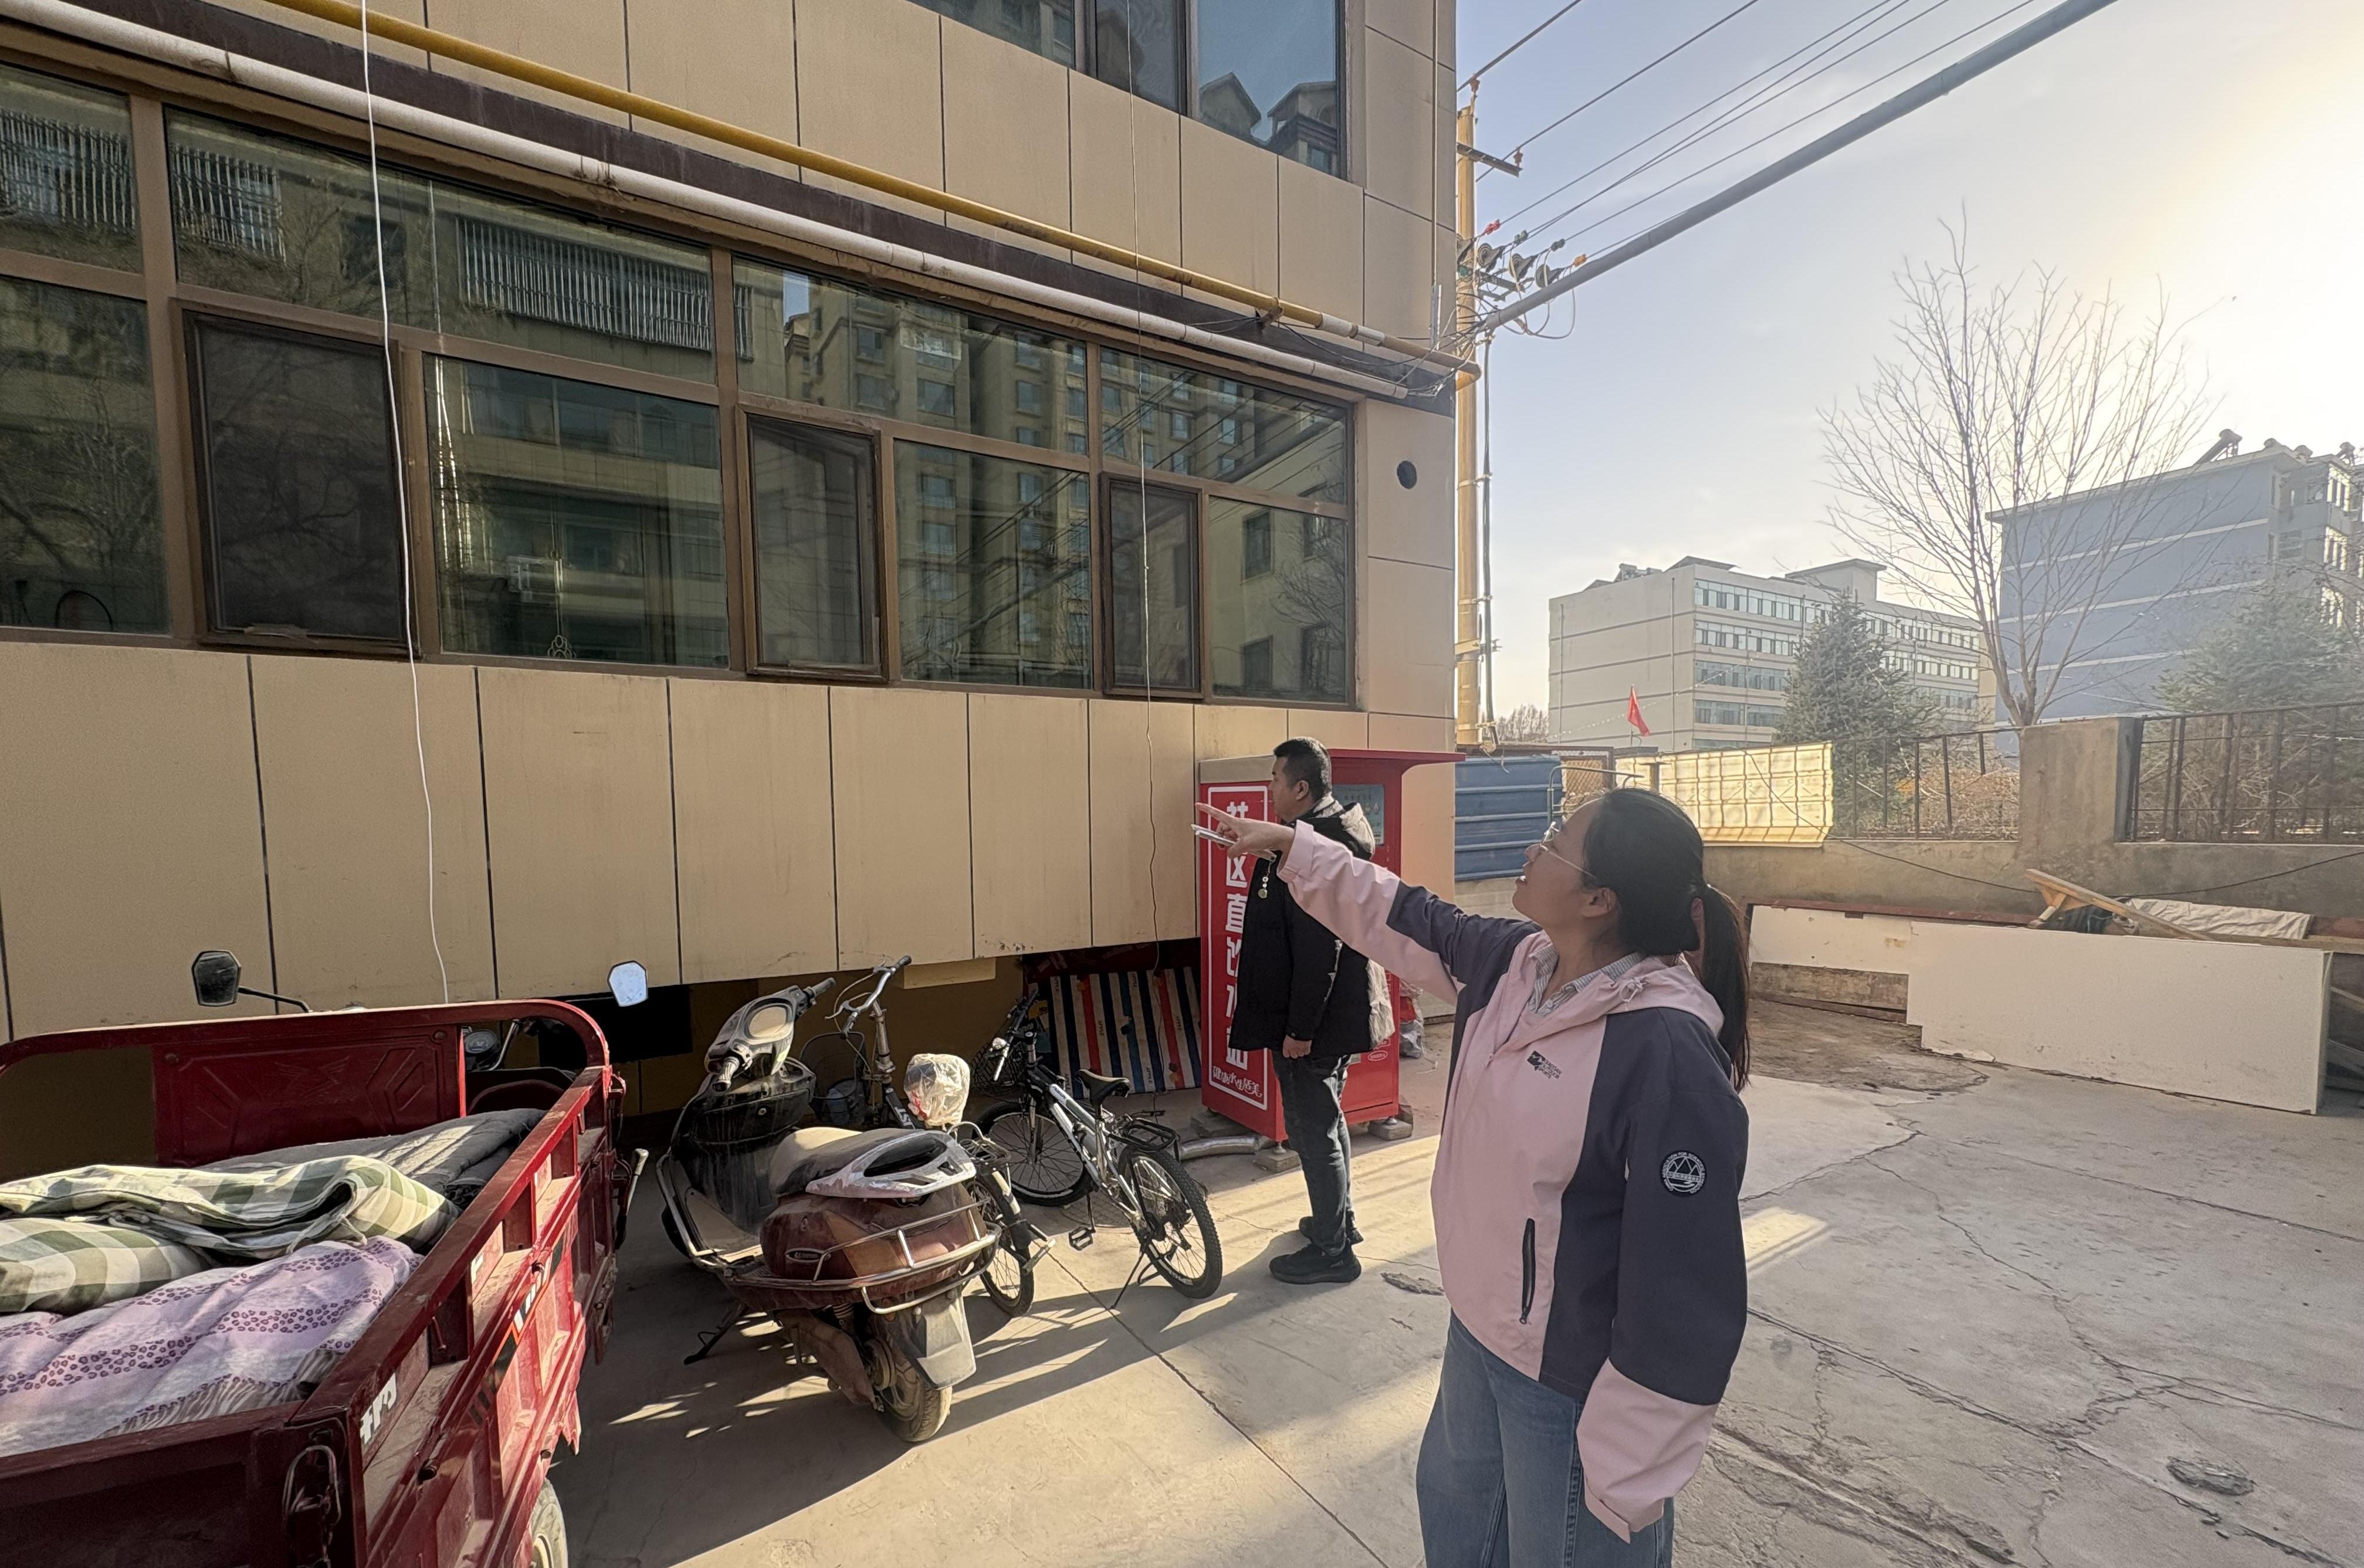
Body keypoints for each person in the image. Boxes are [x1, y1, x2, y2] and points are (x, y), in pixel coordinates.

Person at [1198, 786, 1751, 1567]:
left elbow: (1685, 1289)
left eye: (1556, 841)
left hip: (1570, 1382)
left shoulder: (1662, 1049)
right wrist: (1294, 848)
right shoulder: (1513, 964)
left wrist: (1631, 1463)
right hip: (1478, 1332)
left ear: (1598, 899)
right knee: (1460, 1532)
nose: (1533, 847)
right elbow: (1402, 913)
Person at [1228, 737, 1389, 1286]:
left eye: (1275, 778)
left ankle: (1332, 1251)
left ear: (1301, 788)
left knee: (1312, 1130)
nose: (1269, 787)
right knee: (1327, 1120)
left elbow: (1321, 952)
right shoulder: (1316, 838)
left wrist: (1299, 1030)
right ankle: (1336, 1221)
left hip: (1313, 1022)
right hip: (1329, 1016)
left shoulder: (1316, 850)